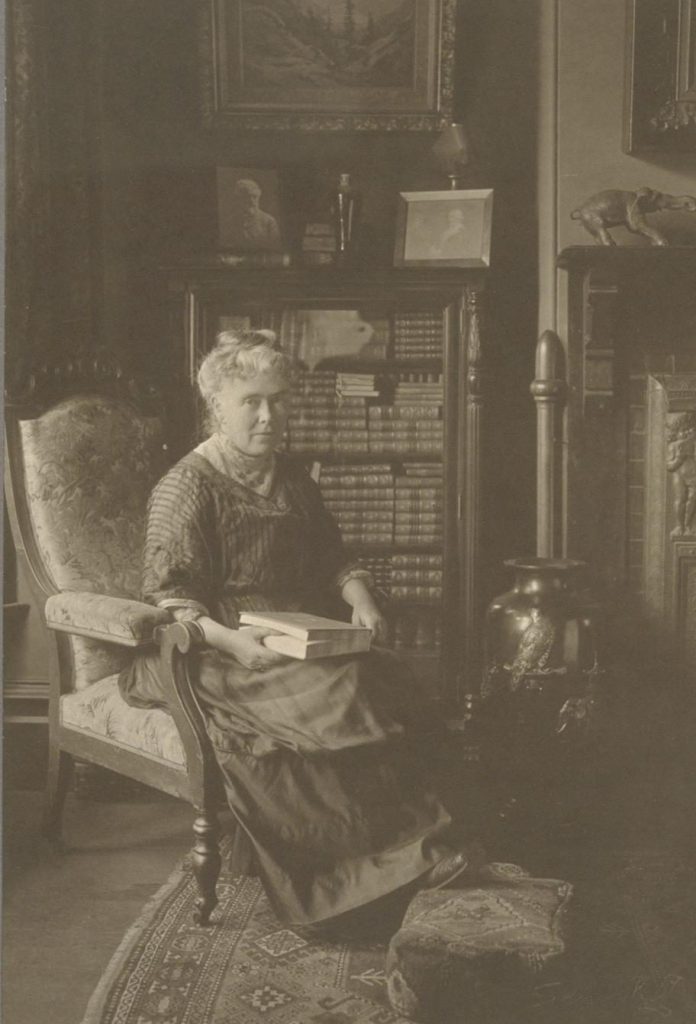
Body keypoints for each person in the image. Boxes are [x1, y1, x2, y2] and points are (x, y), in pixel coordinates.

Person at [119, 330, 480, 928]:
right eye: (252, 402)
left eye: (281, 399)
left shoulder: (290, 475)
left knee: (382, 675)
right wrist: (235, 641)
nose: (269, 416)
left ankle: (413, 853)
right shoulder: (185, 487)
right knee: (335, 696)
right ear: (217, 406)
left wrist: (358, 596)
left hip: (293, 630)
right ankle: (353, 879)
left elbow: (331, 555)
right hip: (210, 649)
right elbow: (171, 600)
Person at [227, 178, 281, 251]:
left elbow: (275, 248)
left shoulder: (269, 221)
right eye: (247, 197)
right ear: (239, 199)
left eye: (255, 197)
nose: (252, 201)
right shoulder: (232, 221)